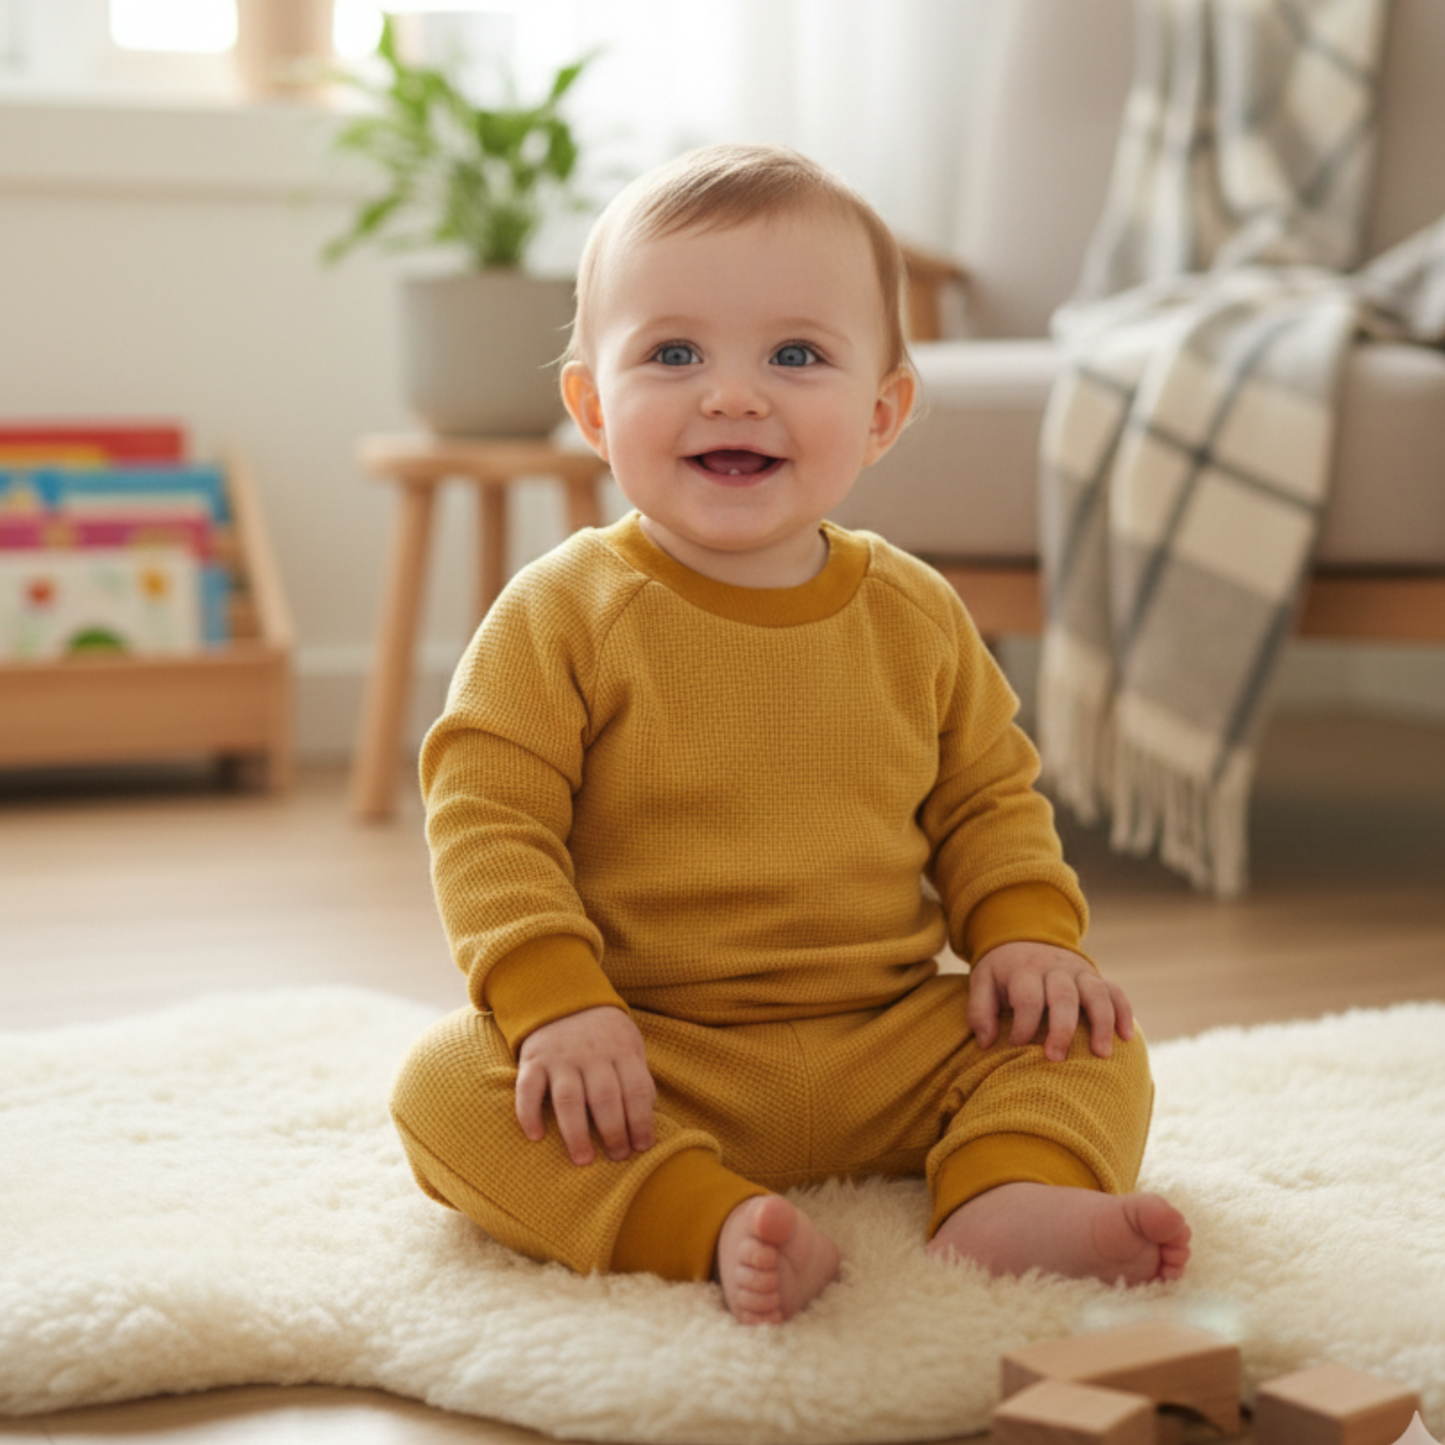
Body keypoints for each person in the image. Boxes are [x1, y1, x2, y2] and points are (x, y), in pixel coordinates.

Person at [390, 142, 1191, 1326]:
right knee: (447, 1086)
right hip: (651, 1053)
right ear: (592, 407)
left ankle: (1004, 1193)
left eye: (795, 355)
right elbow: (486, 811)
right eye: (673, 354)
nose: (732, 394)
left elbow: (986, 800)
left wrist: (1029, 938)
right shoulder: (562, 611)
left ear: (880, 414)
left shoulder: (914, 612)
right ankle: (697, 1217)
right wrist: (558, 1001)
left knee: (1092, 1039)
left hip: (889, 1039)